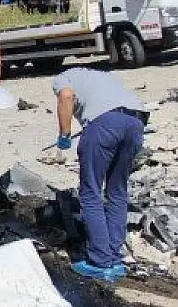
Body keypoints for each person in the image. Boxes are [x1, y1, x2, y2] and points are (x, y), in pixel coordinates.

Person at [52, 67, 148, 282]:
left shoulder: (62, 79)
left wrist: (64, 134)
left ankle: (101, 261)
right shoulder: (101, 76)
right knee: (117, 191)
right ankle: (114, 256)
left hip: (104, 125)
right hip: (135, 122)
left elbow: (66, 96)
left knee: (90, 192)